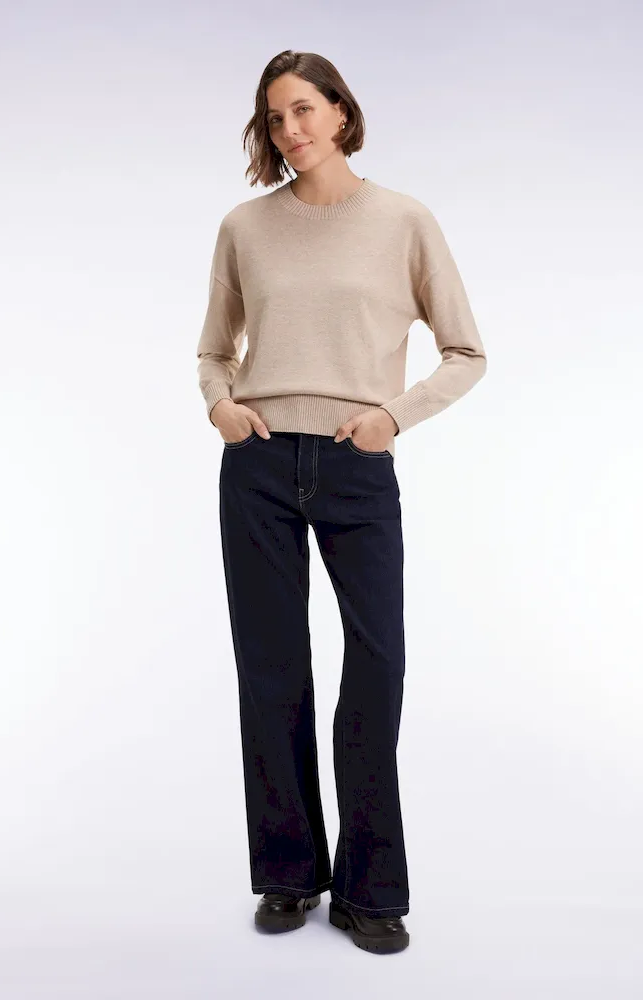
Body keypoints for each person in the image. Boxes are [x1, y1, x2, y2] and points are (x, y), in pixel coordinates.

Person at [196, 49, 487, 955]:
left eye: (303, 109)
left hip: (356, 463)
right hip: (256, 464)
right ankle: (287, 876)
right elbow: (213, 349)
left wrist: (392, 418)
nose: (290, 130)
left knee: (376, 665)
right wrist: (219, 406)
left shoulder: (403, 221)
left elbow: (465, 352)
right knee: (271, 669)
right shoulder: (245, 226)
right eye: (274, 117)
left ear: (340, 111)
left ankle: (370, 889)